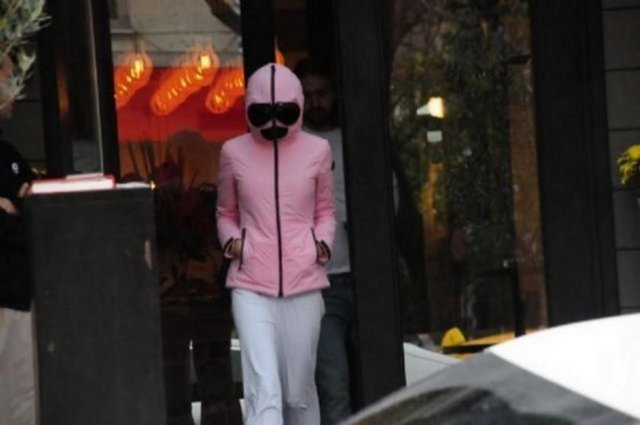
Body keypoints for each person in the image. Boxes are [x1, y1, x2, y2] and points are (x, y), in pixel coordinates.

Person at [216, 63, 336, 425]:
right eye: (262, 113)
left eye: (284, 112)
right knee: (264, 390)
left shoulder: (318, 150)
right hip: (250, 285)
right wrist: (234, 243)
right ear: (249, 110)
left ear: (297, 106)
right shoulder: (233, 152)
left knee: (298, 396)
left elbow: (325, 211)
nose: (273, 122)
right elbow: (225, 212)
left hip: (304, 284)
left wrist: (321, 244)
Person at [294, 57, 354, 425]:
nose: (316, 102)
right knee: (335, 385)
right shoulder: (289, 147)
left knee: (379, 377)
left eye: (322, 93)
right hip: (320, 283)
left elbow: (390, 196)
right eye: (308, 95)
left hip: (363, 277)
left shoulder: (356, 138)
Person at [0, 54, 36, 425]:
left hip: (15, 294)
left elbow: (33, 211)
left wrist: (16, 208)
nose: (16, 91)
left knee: (19, 403)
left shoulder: (9, 154)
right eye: (10, 78)